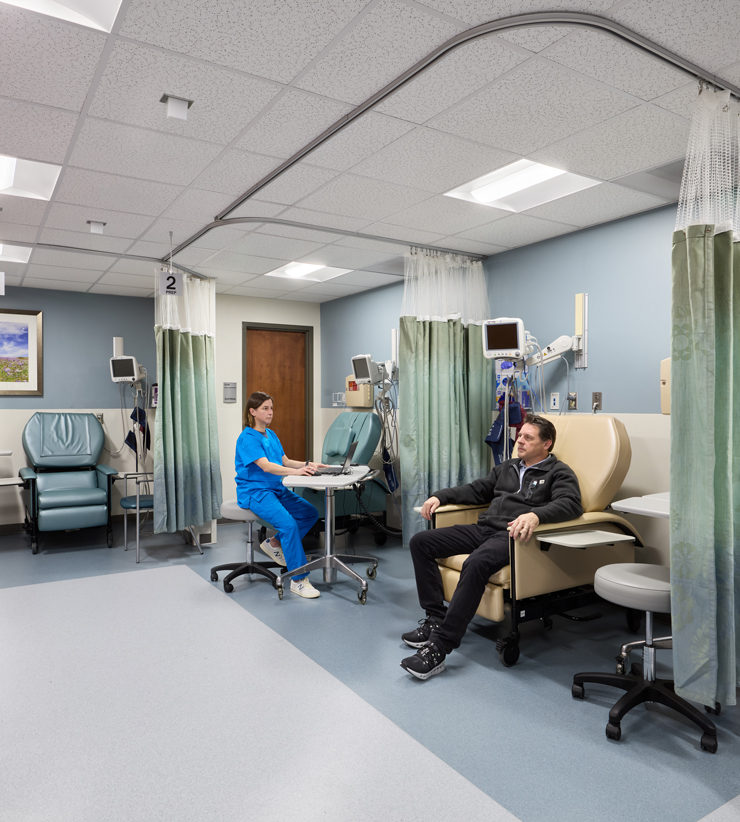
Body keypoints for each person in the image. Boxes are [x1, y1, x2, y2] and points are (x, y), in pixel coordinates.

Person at [400, 414, 583, 679]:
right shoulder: (506, 467)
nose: (519, 441)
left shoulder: (558, 472)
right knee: (421, 543)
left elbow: (572, 504)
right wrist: (441, 495)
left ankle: (440, 646)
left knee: (475, 562)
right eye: (520, 435)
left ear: (547, 444)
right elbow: (476, 491)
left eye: (528, 437)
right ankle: (435, 616)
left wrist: (536, 515)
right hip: (482, 529)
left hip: (510, 536)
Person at [235, 391, 326, 599]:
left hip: (275, 489)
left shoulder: (271, 434)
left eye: (271, 408)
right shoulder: (247, 438)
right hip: (255, 492)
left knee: (310, 513)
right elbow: (266, 466)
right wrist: (296, 473)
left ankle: (274, 543)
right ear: (253, 411)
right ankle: (298, 579)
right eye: (265, 408)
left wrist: (307, 464)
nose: (270, 412)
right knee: (289, 524)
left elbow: (284, 461)